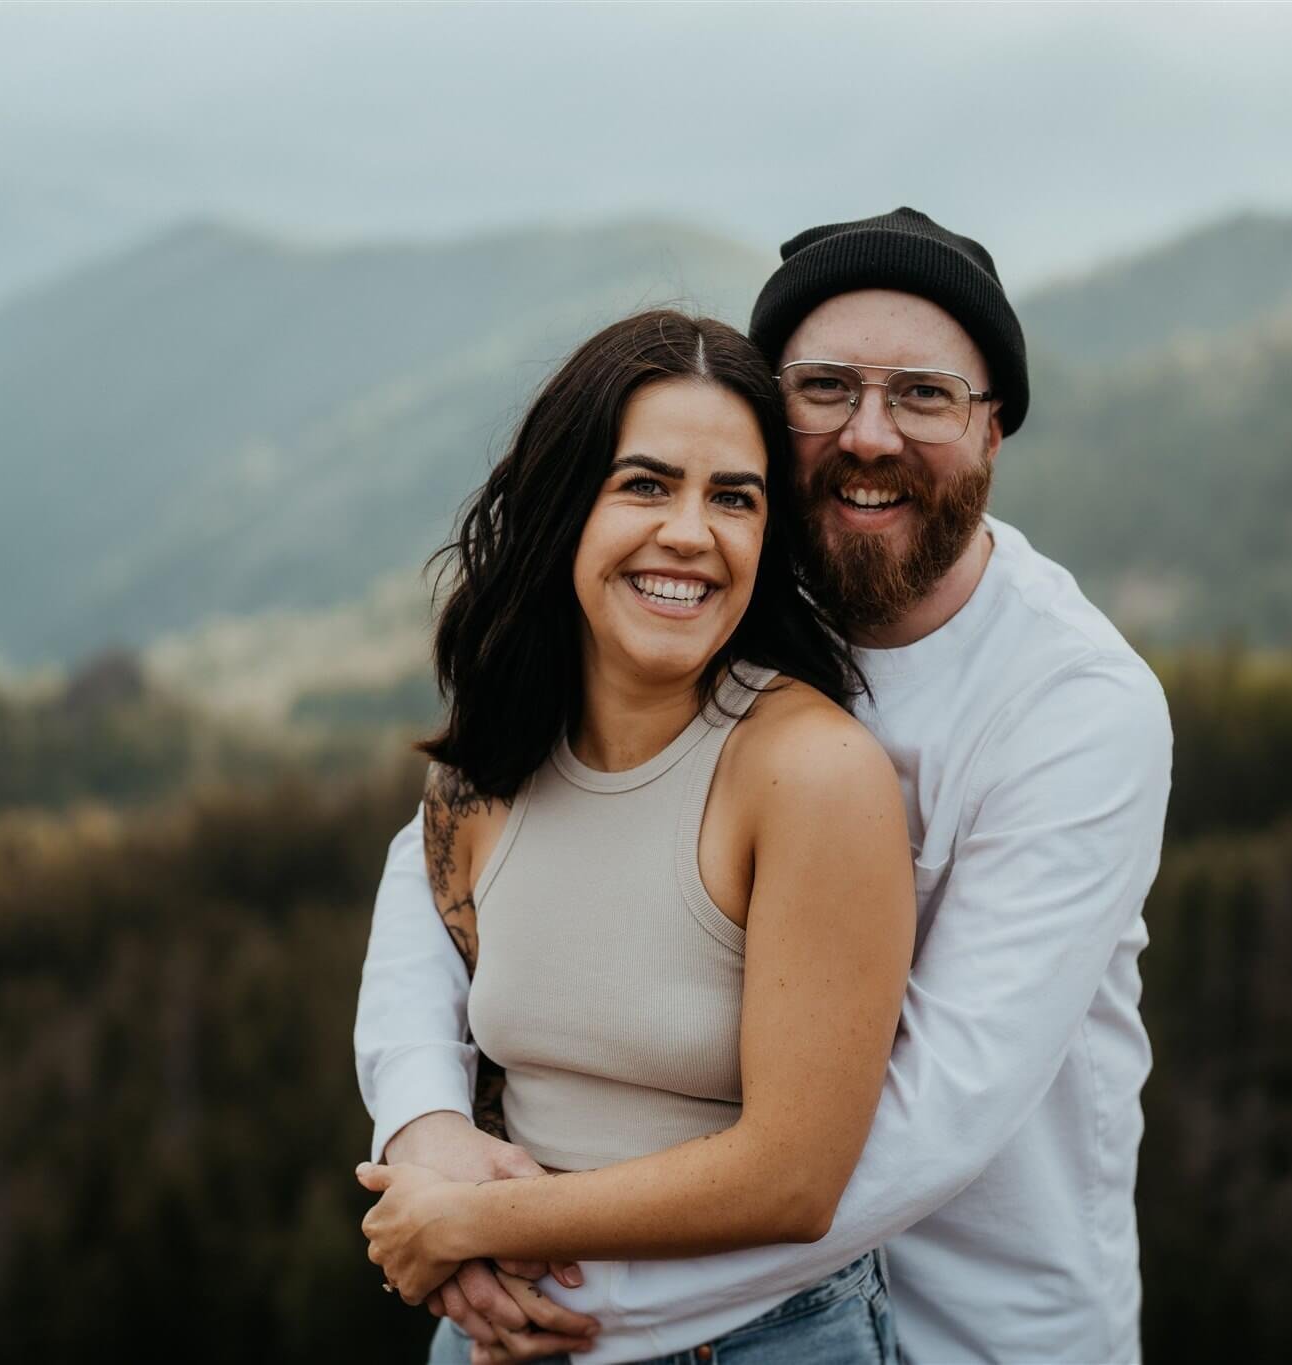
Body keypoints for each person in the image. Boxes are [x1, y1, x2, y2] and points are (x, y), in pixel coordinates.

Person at [357, 208, 1174, 1364]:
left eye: (926, 396)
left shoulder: (1072, 707)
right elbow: (441, 865)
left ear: (995, 431)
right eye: (824, 387)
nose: (870, 435)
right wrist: (425, 1124)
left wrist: (521, 1271)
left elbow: (920, 1123)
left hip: (972, 1331)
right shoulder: (719, 595)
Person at [356, 309, 917, 1362]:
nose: (690, 534)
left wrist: (465, 1224)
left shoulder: (808, 773)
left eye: (734, 499)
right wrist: (431, 1163)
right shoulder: (488, 772)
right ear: (565, 508)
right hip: (499, 1336)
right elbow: (421, 1002)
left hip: (753, 1343)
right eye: (645, 485)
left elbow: (794, 1177)